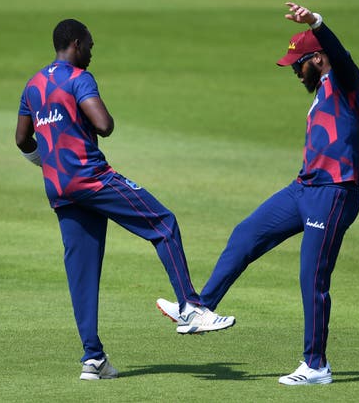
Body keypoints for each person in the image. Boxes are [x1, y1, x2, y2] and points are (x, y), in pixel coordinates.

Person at [155, 2, 359, 386]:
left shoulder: (346, 83)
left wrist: (317, 23)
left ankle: (316, 365)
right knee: (246, 234)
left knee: (311, 278)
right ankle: (200, 309)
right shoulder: (320, 91)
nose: (295, 73)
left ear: (317, 59)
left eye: (298, 64)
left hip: (334, 192)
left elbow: (342, 56)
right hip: (303, 188)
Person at [15, 19, 235, 381]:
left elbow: (23, 139)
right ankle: (192, 308)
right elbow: (104, 125)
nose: (91, 52)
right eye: (89, 45)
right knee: (163, 224)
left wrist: (48, 160)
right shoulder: (77, 78)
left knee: (82, 274)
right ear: (75, 44)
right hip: (92, 179)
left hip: (59, 188)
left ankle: (93, 360)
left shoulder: (34, 84)